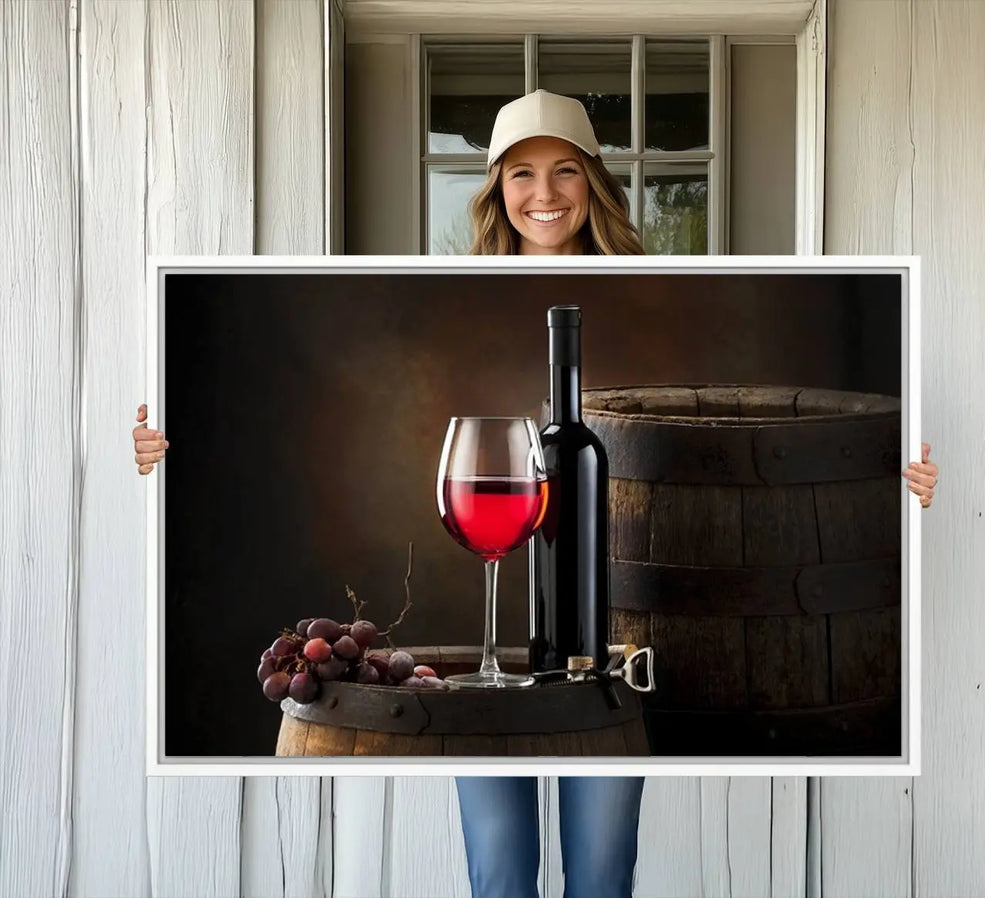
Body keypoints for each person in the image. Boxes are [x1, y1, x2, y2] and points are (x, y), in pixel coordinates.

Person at [131, 90, 940, 898]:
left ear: (594, 182)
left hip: (614, 677)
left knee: (600, 879)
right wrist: (155, 451)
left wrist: (906, 481)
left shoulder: (668, 277)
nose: (545, 195)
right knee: (500, 879)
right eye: (522, 174)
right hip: (505, 678)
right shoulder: (444, 279)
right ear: (495, 189)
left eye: (565, 172)